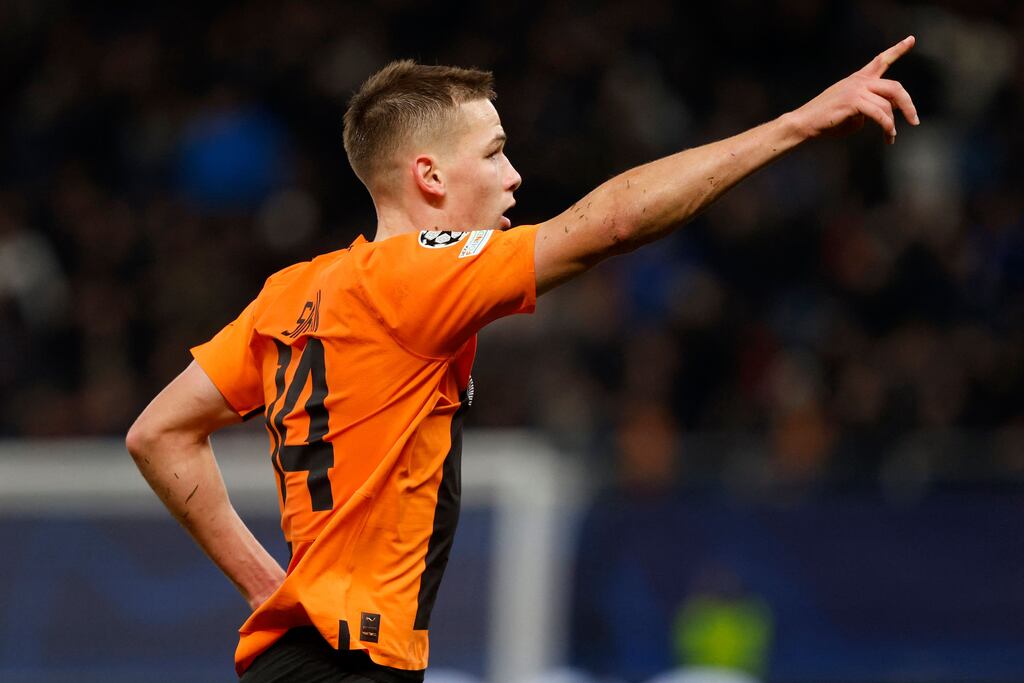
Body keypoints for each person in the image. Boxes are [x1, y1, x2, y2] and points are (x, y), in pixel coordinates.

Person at [126, 37, 919, 682]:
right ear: (429, 176)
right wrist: (793, 126)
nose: (514, 176)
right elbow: (605, 227)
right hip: (345, 666)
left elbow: (157, 432)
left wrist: (273, 591)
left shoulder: (292, 292)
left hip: (300, 663)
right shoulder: (413, 276)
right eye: (496, 153)